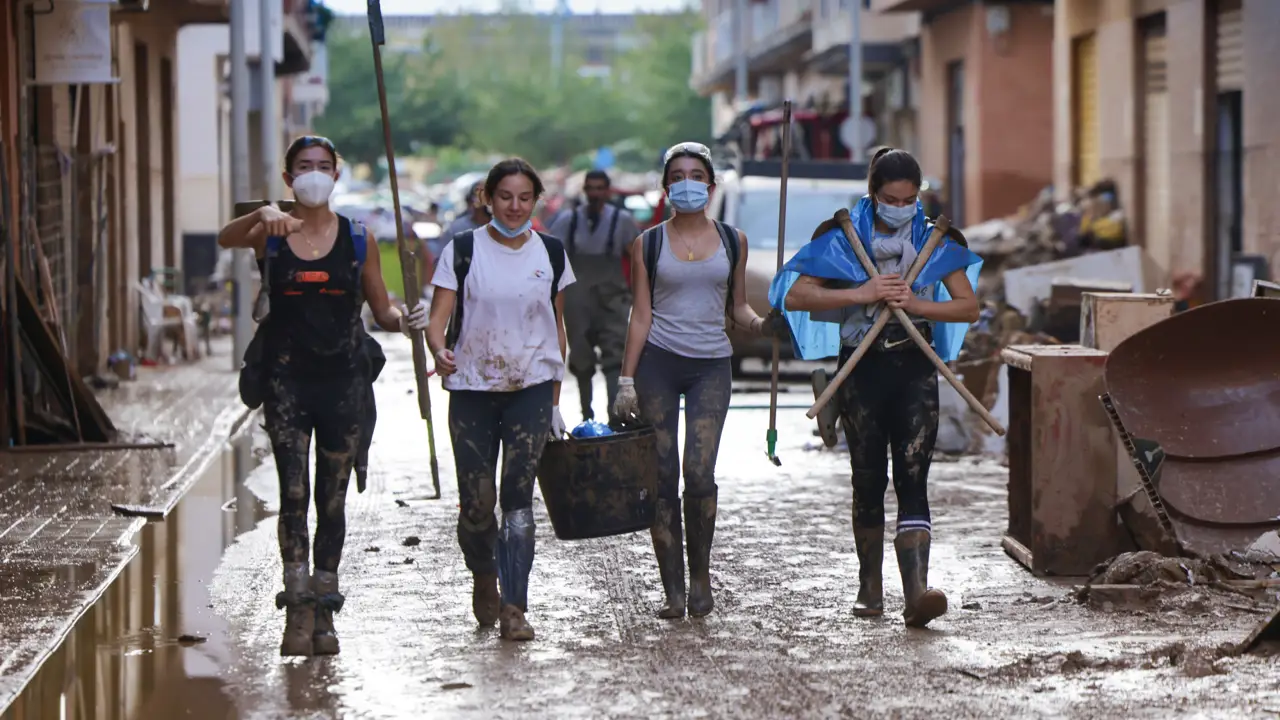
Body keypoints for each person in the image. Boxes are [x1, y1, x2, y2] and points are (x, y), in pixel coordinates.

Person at [216, 135, 429, 656]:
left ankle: (326, 609)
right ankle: (297, 608)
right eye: (303, 167)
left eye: (323, 166)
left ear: (336, 175)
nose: (314, 174)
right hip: (286, 383)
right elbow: (225, 237)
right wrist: (267, 212)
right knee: (293, 495)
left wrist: (408, 319)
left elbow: (382, 311)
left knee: (331, 501)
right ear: (289, 178)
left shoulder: (358, 239)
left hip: (342, 383)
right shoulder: (268, 234)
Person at [778, 147, 982, 628]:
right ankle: (870, 584)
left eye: (911, 198)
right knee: (867, 480)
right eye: (891, 198)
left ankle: (916, 593)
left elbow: (969, 307)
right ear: (873, 194)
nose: (901, 207)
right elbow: (796, 294)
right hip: (860, 370)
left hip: (914, 368)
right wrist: (863, 293)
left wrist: (916, 304)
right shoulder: (842, 238)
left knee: (914, 475)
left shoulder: (935, 241)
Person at [612, 142, 788, 619]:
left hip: (712, 364)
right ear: (666, 186)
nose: (686, 183)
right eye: (677, 175)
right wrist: (626, 380)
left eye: (696, 175)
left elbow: (738, 308)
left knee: (699, 473)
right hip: (659, 365)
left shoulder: (734, 240)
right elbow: (640, 316)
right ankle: (672, 588)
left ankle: (700, 577)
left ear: (710, 187)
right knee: (662, 475)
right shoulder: (647, 243)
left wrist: (762, 325)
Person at [424, 158, 575, 642]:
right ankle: (483, 574)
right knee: (477, 503)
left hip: (529, 389)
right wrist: (438, 349)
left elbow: (558, 327)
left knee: (517, 502)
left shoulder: (550, 253)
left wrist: (554, 400)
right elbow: (437, 318)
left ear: (535, 201)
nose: (514, 206)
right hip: (471, 390)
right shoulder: (463, 250)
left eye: (524, 198)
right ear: (487, 199)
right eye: (505, 197)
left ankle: (515, 605)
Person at [547, 170, 639, 420]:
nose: (596, 194)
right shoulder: (569, 220)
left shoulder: (622, 220)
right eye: (591, 188)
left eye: (601, 188)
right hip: (578, 299)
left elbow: (636, 257)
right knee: (581, 356)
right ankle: (586, 414)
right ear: (585, 191)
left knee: (614, 355)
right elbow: (553, 257)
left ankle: (615, 415)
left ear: (608, 191)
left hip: (613, 298)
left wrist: (639, 294)